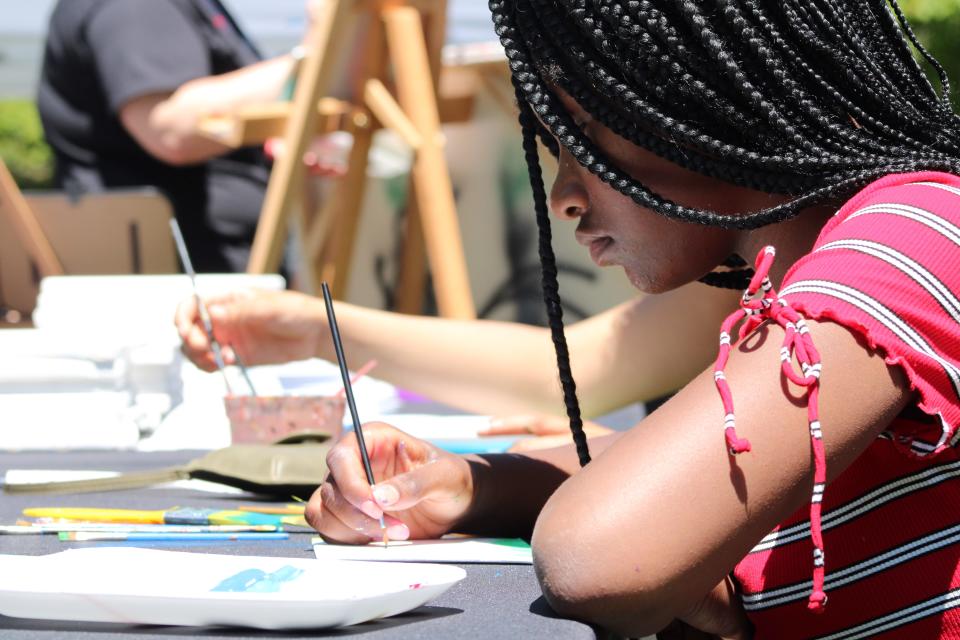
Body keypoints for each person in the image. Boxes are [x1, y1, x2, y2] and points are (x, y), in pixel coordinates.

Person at [178, 1, 960, 637]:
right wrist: (472, 485)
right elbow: (693, 495)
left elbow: (604, 558)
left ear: (687, 97)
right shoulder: (777, 275)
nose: (563, 198)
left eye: (583, 145)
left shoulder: (915, 233)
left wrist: (677, 551)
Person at [37, 0, 334, 273]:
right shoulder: (136, 6)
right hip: (174, 282)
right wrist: (320, 53)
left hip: (212, 267)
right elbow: (170, 128)